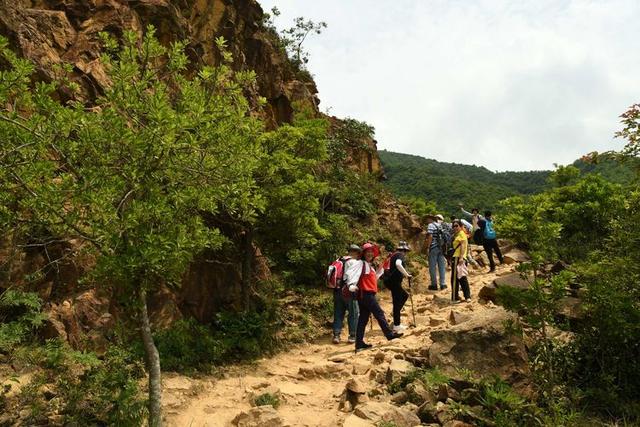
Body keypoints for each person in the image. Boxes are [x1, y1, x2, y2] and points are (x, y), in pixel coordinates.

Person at [347, 242, 403, 352]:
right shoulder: (361, 264)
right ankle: (389, 334)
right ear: (363, 253)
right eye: (368, 252)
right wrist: (351, 285)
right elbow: (352, 273)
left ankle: (359, 344)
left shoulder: (369, 266)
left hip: (365, 295)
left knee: (363, 319)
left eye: (371, 252)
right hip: (366, 294)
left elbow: (375, 277)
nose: (370, 254)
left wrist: (384, 263)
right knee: (379, 313)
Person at [327, 244, 361, 344]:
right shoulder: (354, 262)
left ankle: (336, 335)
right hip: (348, 291)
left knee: (338, 312)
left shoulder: (338, 260)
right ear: (356, 252)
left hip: (337, 290)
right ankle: (352, 336)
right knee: (353, 313)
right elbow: (355, 278)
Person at [383, 241, 412, 332]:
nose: (406, 254)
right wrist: (407, 274)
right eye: (406, 251)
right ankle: (396, 325)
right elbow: (398, 264)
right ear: (404, 250)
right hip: (394, 282)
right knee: (397, 302)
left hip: (391, 281)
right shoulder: (400, 255)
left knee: (404, 296)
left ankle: (396, 314)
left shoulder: (394, 254)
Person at [450, 220, 471, 303]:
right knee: (462, 277)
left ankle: (455, 297)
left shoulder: (461, 234)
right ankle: (467, 296)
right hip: (459, 257)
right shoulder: (459, 234)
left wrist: (461, 257)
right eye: (453, 226)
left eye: (456, 225)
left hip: (458, 258)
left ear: (461, 226)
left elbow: (462, 245)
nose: (455, 227)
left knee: (455, 278)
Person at [425, 215, 446, 290]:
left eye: (427, 219)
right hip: (441, 247)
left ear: (430, 219)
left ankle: (434, 284)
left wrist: (428, 247)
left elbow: (430, 236)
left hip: (433, 248)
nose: (426, 220)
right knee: (441, 266)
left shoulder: (430, 225)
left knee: (432, 267)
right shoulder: (439, 225)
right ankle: (443, 284)